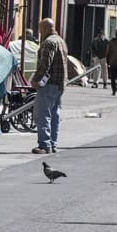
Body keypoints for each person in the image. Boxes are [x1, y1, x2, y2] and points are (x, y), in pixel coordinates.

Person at [30, 18, 69, 154]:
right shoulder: (61, 41)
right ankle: (53, 143)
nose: (40, 32)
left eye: (41, 29)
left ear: (46, 29)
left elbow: (45, 64)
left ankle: (44, 145)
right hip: (60, 84)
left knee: (43, 114)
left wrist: (36, 79)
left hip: (49, 84)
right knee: (54, 114)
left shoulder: (48, 43)